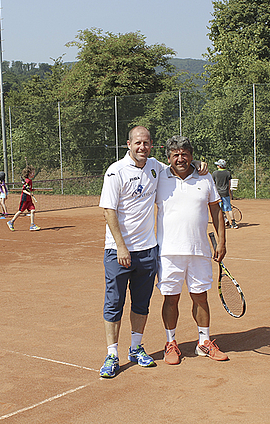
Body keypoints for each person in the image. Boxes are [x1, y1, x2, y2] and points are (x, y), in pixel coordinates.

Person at [98, 126, 208, 378]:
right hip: (119, 251)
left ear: (151, 146)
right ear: (128, 144)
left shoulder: (156, 167)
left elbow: (181, 165)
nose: (142, 147)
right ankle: (112, 354)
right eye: (138, 143)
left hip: (148, 251)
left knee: (141, 304)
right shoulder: (115, 171)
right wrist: (121, 246)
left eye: (146, 143)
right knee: (114, 303)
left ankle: (136, 348)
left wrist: (200, 165)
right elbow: (108, 211)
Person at [156, 136, 228, 365]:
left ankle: (203, 343)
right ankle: (171, 343)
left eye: (185, 154)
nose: (180, 158)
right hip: (168, 252)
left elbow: (216, 211)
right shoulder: (159, 177)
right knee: (171, 299)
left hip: (199, 251)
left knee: (201, 298)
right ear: (168, 158)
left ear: (191, 155)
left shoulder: (205, 177)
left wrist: (222, 241)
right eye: (175, 154)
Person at [7, 165, 40, 231]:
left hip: (29, 199)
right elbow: (24, 190)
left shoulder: (30, 181)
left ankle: (32, 225)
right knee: (20, 211)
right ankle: (11, 222)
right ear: (29, 174)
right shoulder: (27, 181)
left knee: (33, 210)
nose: (34, 174)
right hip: (24, 199)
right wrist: (29, 193)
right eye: (32, 173)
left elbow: (28, 189)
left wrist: (32, 190)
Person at [212, 159, 238, 229]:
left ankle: (223, 222)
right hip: (225, 193)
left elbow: (213, 184)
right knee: (229, 209)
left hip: (218, 194)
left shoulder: (215, 173)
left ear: (219, 166)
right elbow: (229, 184)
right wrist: (230, 194)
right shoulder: (228, 173)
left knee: (219, 209)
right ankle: (233, 223)